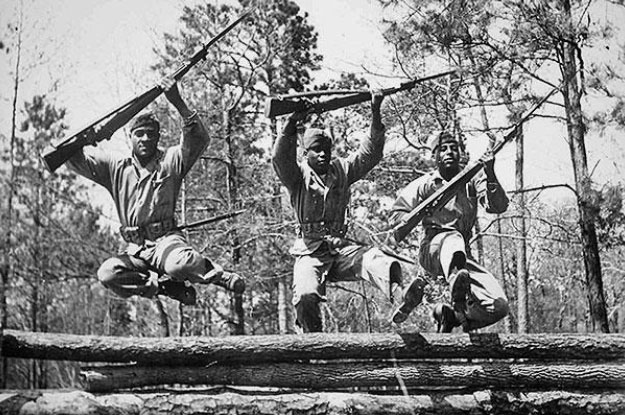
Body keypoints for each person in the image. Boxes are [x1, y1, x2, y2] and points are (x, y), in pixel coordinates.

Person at [66, 78, 245, 305]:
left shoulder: (171, 160)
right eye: (139, 133)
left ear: (158, 137)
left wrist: (178, 103)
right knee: (108, 274)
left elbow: (199, 139)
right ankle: (163, 287)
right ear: (130, 137)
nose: (145, 138)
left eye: (151, 134)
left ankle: (217, 275)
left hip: (166, 242)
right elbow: (75, 160)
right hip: (135, 250)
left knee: (180, 264)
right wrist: (83, 140)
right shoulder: (115, 167)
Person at [271, 92, 425, 333]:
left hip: (340, 249)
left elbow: (370, 154)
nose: (323, 154)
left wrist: (375, 110)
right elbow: (280, 158)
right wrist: (291, 122)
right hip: (310, 251)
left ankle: (401, 294)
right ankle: (313, 341)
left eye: (326, 150)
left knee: (376, 260)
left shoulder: (341, 169)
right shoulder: (297, 176)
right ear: (305, 153)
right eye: (316, 150)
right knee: (305, 294)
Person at [390, 131, 510, 332]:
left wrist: (490, 172)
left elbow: (497, 206)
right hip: (432, 250)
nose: (449, 153)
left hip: (461, 253)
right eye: (443, 149)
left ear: (460, 153)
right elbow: (397, 217)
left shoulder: (471, 179)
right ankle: (453, 287)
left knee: (499, 307)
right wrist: (416, 215)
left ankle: (451, 315)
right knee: (451, 238)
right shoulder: (425, 184)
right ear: (435, 156)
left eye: (454, 148)